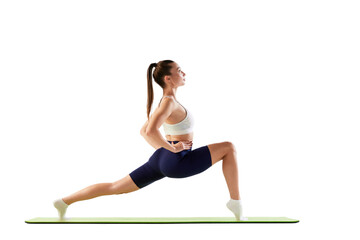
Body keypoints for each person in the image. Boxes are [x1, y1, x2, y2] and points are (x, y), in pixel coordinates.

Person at [53, 60, 246, 221]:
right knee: (229, 147)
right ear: (167, 78)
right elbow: (150, 131)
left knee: (115, 187)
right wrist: (174, 149)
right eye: (179, 70)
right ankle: (235, 202)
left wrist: (168, 149)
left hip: (161, 159)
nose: (184, 73)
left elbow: (144, 131)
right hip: (176, 161)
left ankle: (64, 202)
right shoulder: (169, 102)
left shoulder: (167, 102)